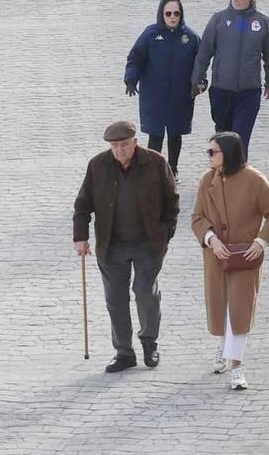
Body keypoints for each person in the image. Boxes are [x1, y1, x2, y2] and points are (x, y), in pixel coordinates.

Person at [73, 118, 179, 375]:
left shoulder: (155, 163)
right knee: (115, 299)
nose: (119, 150)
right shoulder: (98, 166)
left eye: (124, 144)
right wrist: (81, 237)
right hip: (112, 245)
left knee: (145, 291)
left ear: (135, 142)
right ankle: (123, 352)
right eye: (115, 146)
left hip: (148, 243)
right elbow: (83, 205)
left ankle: (149, 342)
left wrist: (165, 234)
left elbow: (172, 200)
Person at [191, 131, 269, 390]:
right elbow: (197, 217)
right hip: (216, 256)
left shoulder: (254, 180)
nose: (208, 156)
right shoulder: (206, 180)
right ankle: (222, 345)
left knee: (239, 311)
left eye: (213, 152)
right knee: (220, 306)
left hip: (245, 256)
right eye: (208, 151)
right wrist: (211, 239)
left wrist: (260, 242)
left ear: (228, 154)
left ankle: (236, 365)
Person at [191, 0, 269, 148]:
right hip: (221, 90)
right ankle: (222, 173)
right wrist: (197, 79)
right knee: (222, 140)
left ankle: (238, 174)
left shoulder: (262, 22)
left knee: (240, 140)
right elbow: (204, 52)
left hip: (249, 92)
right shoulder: (218, 20)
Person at [125, 0, 202, 176]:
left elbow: (201, 62)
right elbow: (135, 58)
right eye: (168, 13)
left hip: (180, 96)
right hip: (155, 96)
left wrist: (200, 83)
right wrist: (131, 79)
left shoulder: (190, 37)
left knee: (175, 134)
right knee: (156, 134)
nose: (172, 17)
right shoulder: (150, 34)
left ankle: (172, 170)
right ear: (162, 14)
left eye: (176, 13)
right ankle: (154, 171)